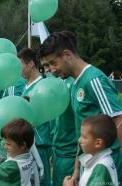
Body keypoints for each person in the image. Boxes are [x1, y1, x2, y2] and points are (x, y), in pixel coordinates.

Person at [39, 30, 122, 183]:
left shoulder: (93, 79)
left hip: (104, 166)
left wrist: (110, 162)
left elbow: (118, 120)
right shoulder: (75, 83)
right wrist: (77, 169)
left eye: (53, 63)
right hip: (89, 163)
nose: (51, 69)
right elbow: (82, 131)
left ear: (67, 55)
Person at [18, 48, 52, 186]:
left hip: (40, 144)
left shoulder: (43, 86)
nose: (17, 69)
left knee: (42, 181)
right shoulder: (26, 86)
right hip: (28, 145)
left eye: (20, 65)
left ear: (31, 64)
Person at [63, 114, 118, 186]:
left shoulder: (100, 168)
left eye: (83, 137)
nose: (79, 140)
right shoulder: (95, 158)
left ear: (98, 143)